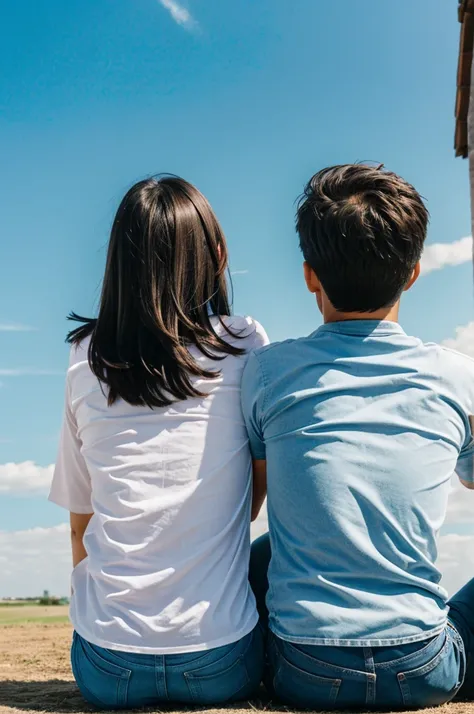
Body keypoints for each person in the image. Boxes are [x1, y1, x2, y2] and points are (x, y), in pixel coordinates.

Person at [243, 164, 474, 711]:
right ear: (415, 272)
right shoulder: (457, 377)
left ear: (309, 275)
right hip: (421, 666)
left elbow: (253, 496)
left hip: (305, 670)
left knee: (264, 550)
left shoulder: (267, 372)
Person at [49, 176, 268, 710]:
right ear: (218, 255)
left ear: (119, 264)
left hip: (107, 667)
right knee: (272, 553)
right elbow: (257, 492)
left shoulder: (85, 357)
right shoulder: (244, 343)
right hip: (219, 663)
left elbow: (81, 521)